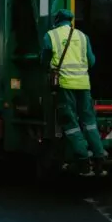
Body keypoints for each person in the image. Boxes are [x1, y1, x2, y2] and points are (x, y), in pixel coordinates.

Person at [41, 9, 107, 177]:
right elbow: (92, 61)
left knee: (70, 123)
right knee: (89, 122)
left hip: (65, 86)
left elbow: (44, 61)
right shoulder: (83, 37)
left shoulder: (50, 36)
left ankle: (83, 161)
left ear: (56, 20)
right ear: (70, 21)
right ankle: (99, 159)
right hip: (84, 85)